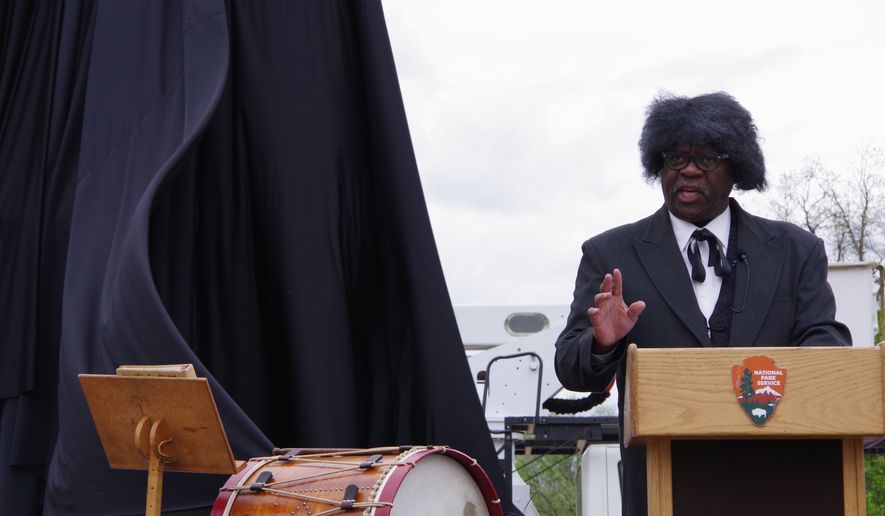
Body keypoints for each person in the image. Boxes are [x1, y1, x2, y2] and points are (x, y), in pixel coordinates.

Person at [553, 92, 852, 516]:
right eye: (676, 158)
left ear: (737, 168)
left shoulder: (794, 251)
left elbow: (824, 340)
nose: (689, 170)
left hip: (778, 482)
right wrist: (602, 343)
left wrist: (798, 377)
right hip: (663, 488)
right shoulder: (610, 254)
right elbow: (569, 364)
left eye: (707, 160)